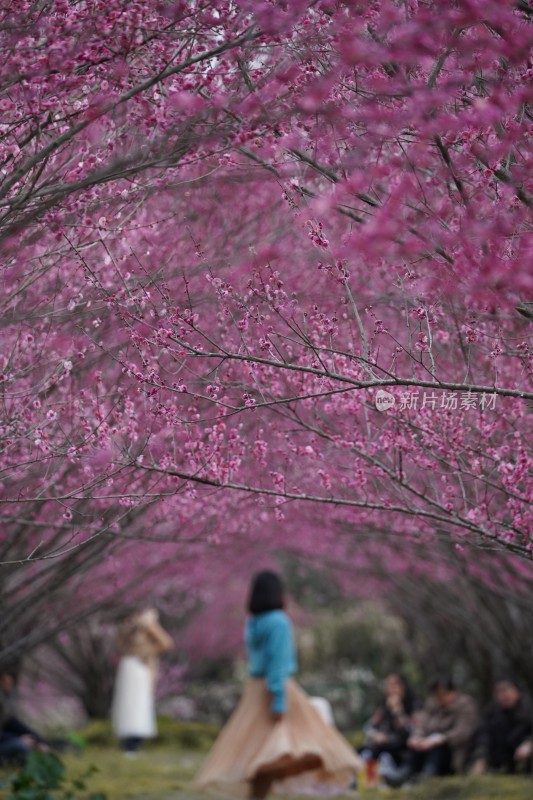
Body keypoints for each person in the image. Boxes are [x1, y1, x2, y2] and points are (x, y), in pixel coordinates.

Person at [194, 570, 362, 798]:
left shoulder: (253, 622)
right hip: (275, 689)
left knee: (260, 753)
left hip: (254, 689)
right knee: (305, 746)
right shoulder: (278, 622)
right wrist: (279, 700)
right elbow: (278, 663)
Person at [111, 608, 173, 755]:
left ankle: (134, 741)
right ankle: (126, 739)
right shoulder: (128, 629)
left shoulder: (148, 627)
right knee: (125, 703)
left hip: (140, 667)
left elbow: (166, 643)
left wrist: (147, 651)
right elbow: (119, 644)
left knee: (137, 704)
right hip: (128, 666)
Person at [407, 676, 478, 779]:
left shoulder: (465, 705)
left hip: (453, 750)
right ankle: (408, 773)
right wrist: (417, 737)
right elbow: (422, 724)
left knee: (438, 748)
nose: (439, 698)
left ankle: (429, 774)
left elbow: (463, 732)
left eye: (442, 694)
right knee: (416, 745)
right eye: (436, 695)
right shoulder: (432, 704)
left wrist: (441, 738)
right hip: (427, 744)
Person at [360, 673, 416, 785]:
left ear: (402, 687)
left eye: (393, 686)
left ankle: (395, 779)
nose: (390, 690)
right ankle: (370, 780)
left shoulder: (414, 704)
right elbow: (368, 726)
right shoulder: (383, 707)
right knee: (366, 749)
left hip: (406, 745)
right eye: (387, 686)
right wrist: (376, 735)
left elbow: (411, 729)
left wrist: (397, 710)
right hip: (385, 744)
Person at [472, 677, 532, 774]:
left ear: (517, 691)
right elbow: (483, 736)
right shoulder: (490, 713)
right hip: (499, 763)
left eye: (506, 691)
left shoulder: (528, 710)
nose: (502, 696)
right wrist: (480, 757)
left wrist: (529, 743)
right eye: (498, 692)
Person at [0, 667, 49, 765]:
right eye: (4, 680)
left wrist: (37, 740)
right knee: (20, 745)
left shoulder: (7, 700)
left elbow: (12, 722)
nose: (8, 683)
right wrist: (18, 738)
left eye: (9, 680)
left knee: (28, 747)